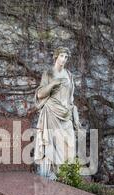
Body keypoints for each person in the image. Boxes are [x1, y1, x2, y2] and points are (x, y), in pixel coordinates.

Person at [28, 46, 82, 179]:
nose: (64, 59)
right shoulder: (48, 74)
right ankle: (52, 177)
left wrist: (75, 117)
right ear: (56, 57)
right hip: (51, 112)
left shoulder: (69, 75)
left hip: (66, 114)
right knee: (52, 146)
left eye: (66, 57)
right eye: (61, 56)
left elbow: (71, 99)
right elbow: (40, 94)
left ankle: (67, 177)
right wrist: (53, 84)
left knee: (69, 146)